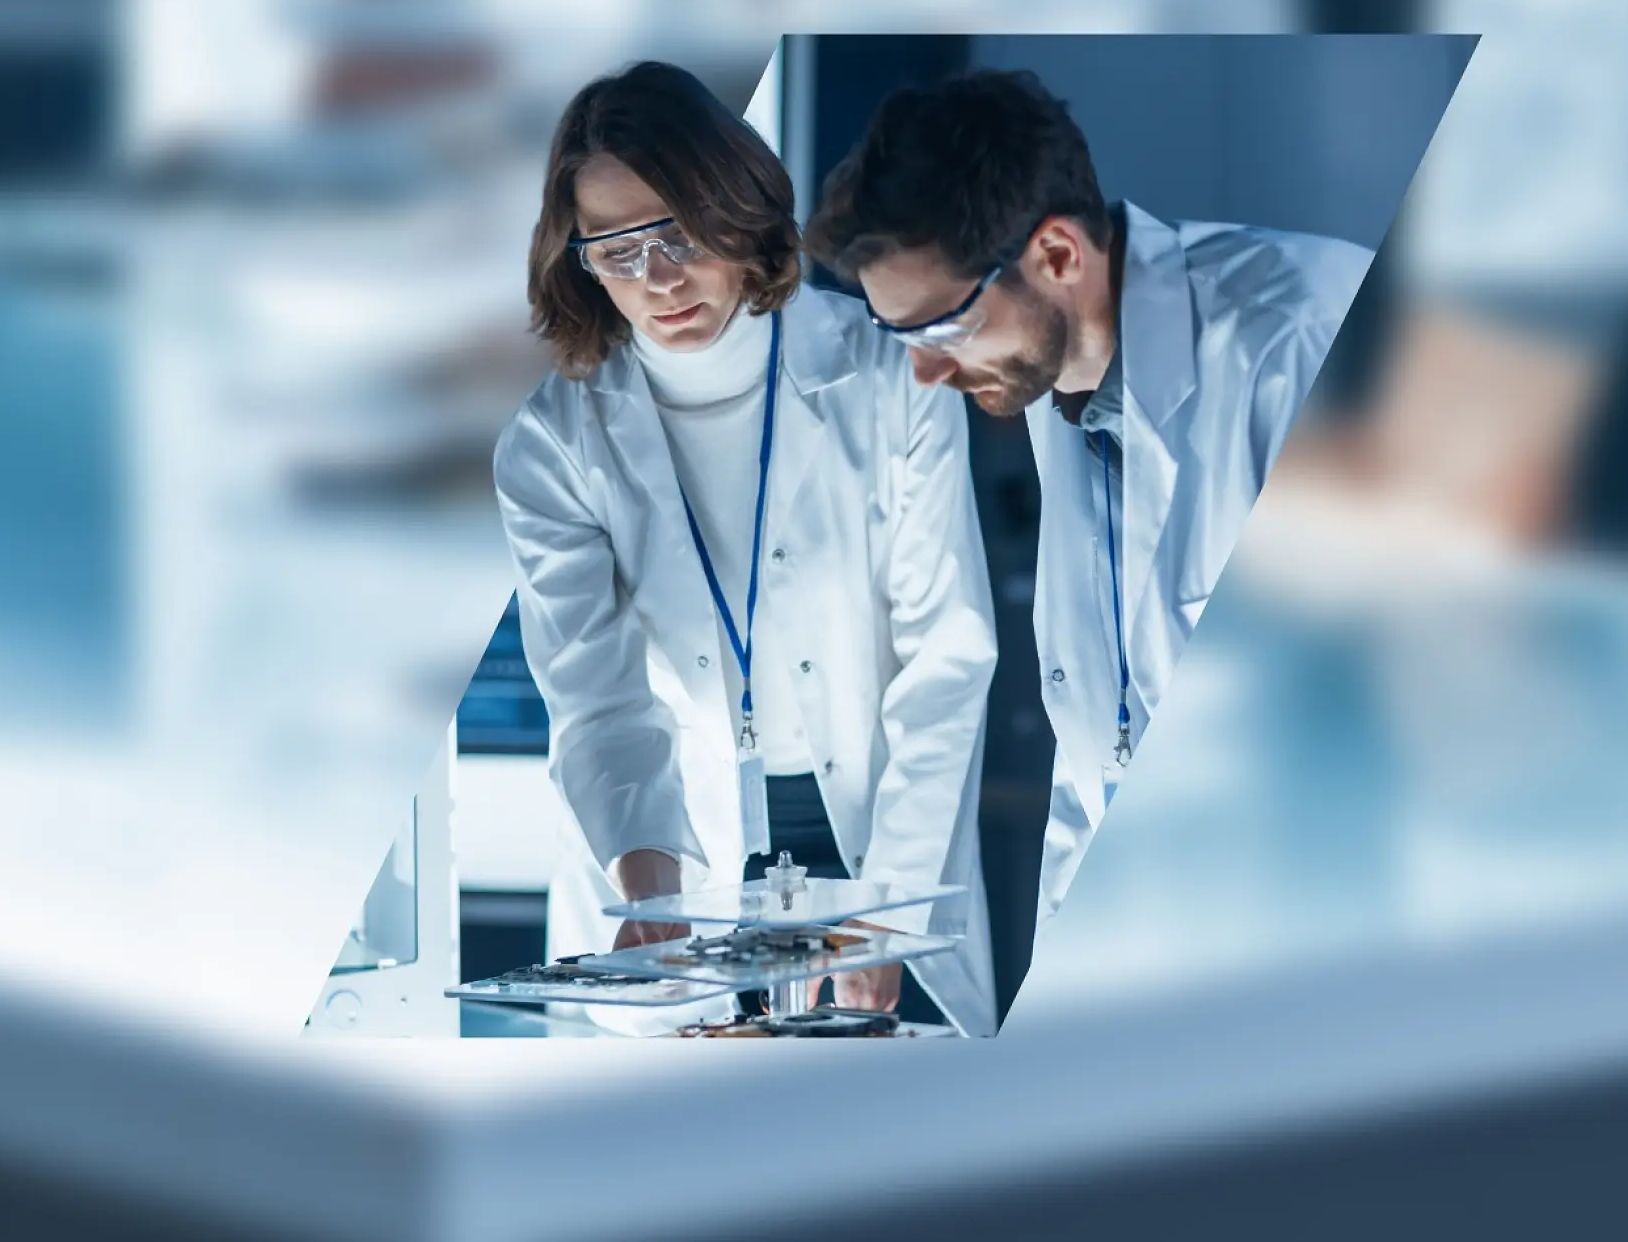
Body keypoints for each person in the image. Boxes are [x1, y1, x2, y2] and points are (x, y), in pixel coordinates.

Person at [494, 61, 998, 1035]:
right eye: (616, 249)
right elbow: (597, 698)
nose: (657, 280)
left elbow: (947, 655)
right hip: (663, 835)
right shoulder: (554, 442)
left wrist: (887, 906)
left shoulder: (890, 373)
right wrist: (649, 903)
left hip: (875, 818)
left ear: (739, 211)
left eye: (678, 234)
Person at [805, 69, 1375, 920]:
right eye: (900, 337)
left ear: (1058, 255)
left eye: (940, 328)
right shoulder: (1053, 380)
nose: (923, 373)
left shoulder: (1296, 342)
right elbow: (1093, 765)